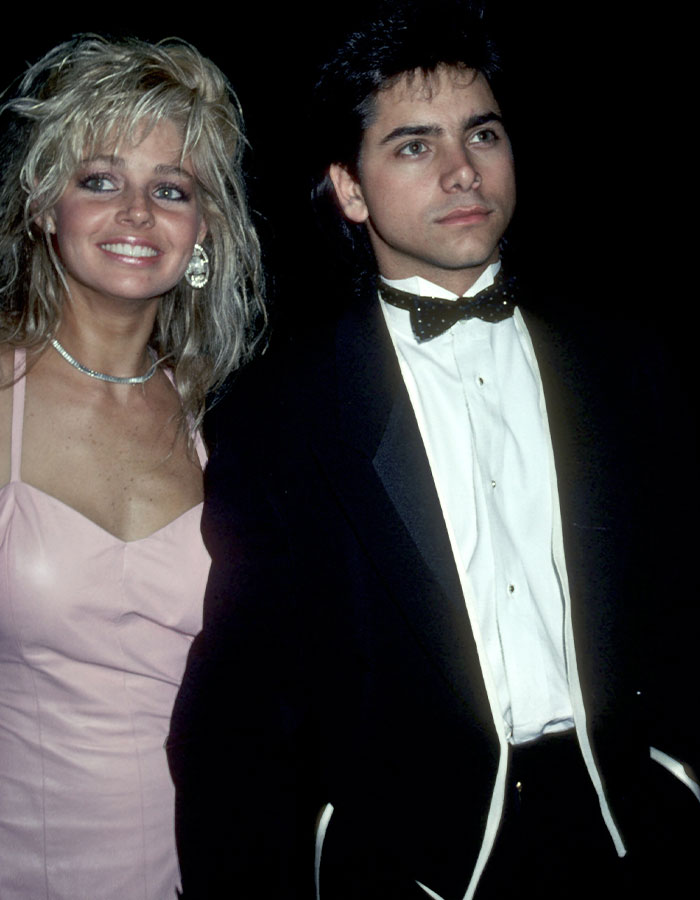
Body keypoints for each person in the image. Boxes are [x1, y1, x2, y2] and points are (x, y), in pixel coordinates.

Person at [168, 5, 699, 899]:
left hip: (632, 828)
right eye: (415, 145)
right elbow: (247, 707)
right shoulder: (280, 414)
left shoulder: (623, 363)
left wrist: (680, 772)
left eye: (482, 134)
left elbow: (684, 594)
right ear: (349, 189)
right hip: (414, 865)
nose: (463, 170)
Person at [0, 36, 263, 900]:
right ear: (44, 206)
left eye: (172, 189)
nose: (138, 213)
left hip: (206, 866)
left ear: (202, 231)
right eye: (100, 179)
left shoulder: (229, 424)